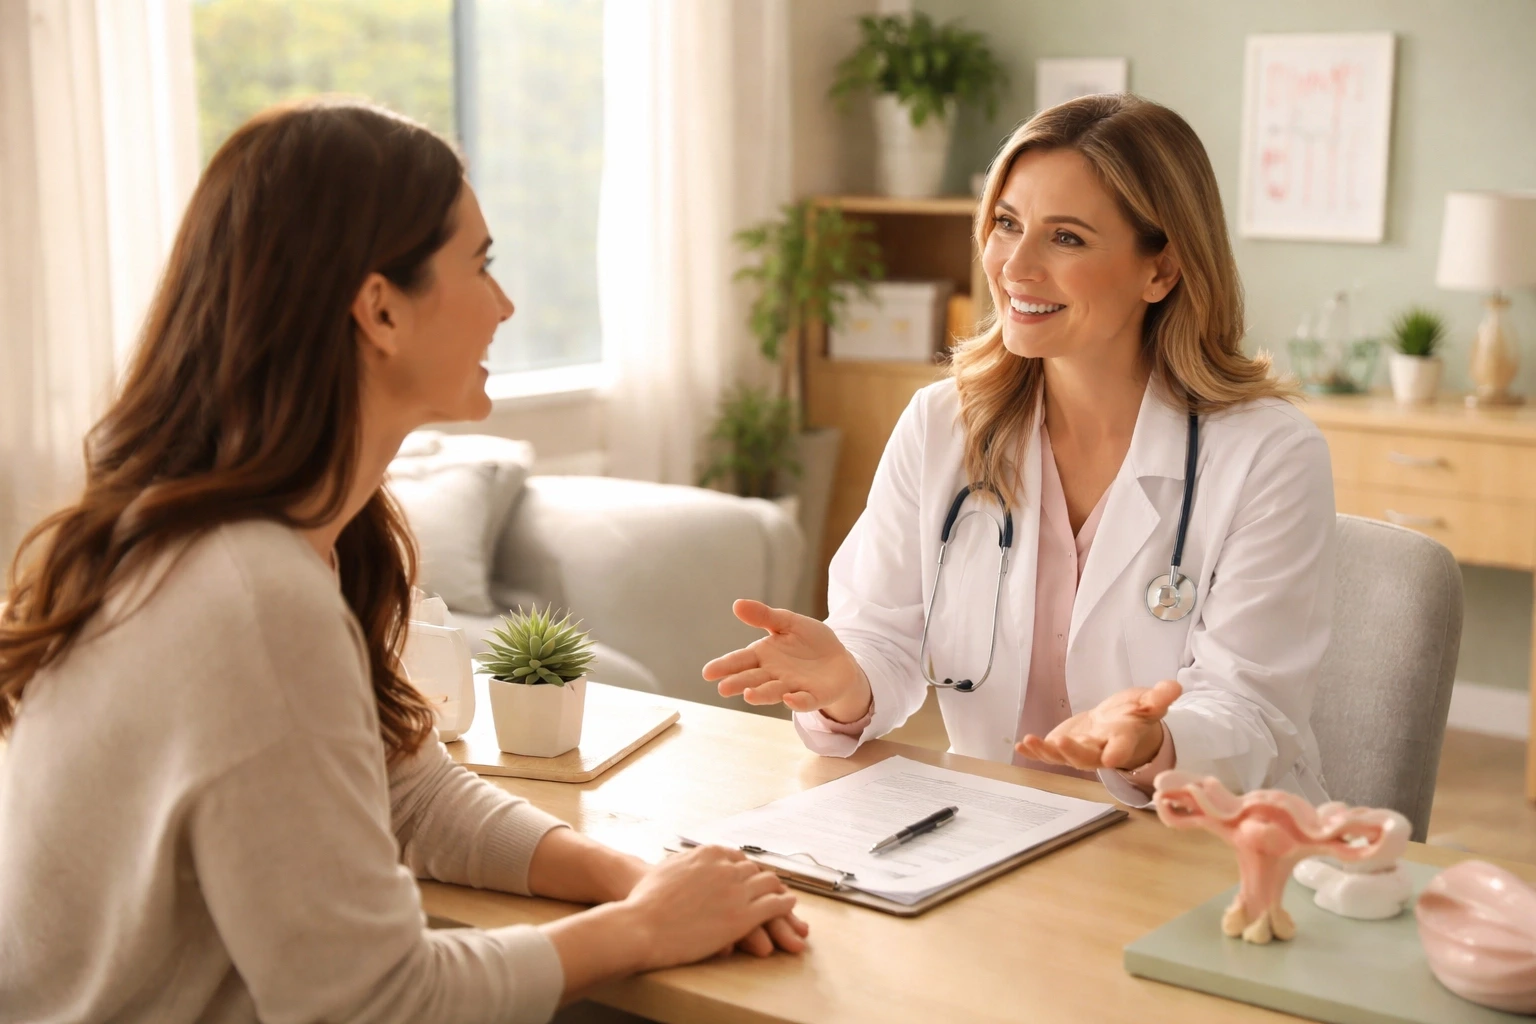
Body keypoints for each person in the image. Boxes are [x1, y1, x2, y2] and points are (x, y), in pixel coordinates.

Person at [0, 100, 805, 1024]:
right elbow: (373, 1002)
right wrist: (643, 931)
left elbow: (410, 794)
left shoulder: (253, 541)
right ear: (380, 308)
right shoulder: (250, 594)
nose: (505, 304)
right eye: (482, 265)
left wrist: (633, 879)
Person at [704, 94, 1335, 808]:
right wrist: (846, 682)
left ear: (1160, 272)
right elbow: (881, 636)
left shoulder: (1268, 454)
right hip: (997, 827)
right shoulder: (943, 424)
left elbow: (1253, 709)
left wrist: (1156, 743)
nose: (1015, 267)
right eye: (1007, 224)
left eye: (1065, 238)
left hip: (1200, 840)